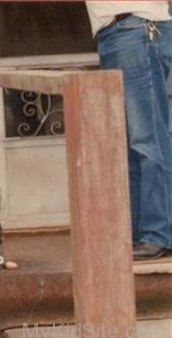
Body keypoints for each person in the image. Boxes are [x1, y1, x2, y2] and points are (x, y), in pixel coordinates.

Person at [85, 2, 172, 260]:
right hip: (119, 32)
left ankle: (159, 234)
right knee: (133, 146)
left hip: (135, 30)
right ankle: (141, 234)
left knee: (148, 139)